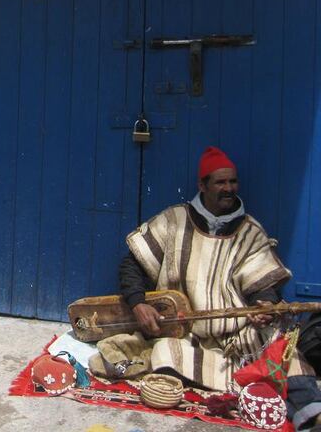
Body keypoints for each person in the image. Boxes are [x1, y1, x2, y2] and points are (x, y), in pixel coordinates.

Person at [117, 146, 321, 430]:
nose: (229, 188)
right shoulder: (174, 220)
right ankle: (261, 398)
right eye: (220, 182)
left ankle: (311, 415)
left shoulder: (250, 231)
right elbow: (132, 265)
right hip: (187, 332)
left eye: (233, 181)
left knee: (285, 354)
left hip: (239, 333)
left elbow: (265, 284)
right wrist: (138, 302)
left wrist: (264, 306)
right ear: (202, 185)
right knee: (164, 355)